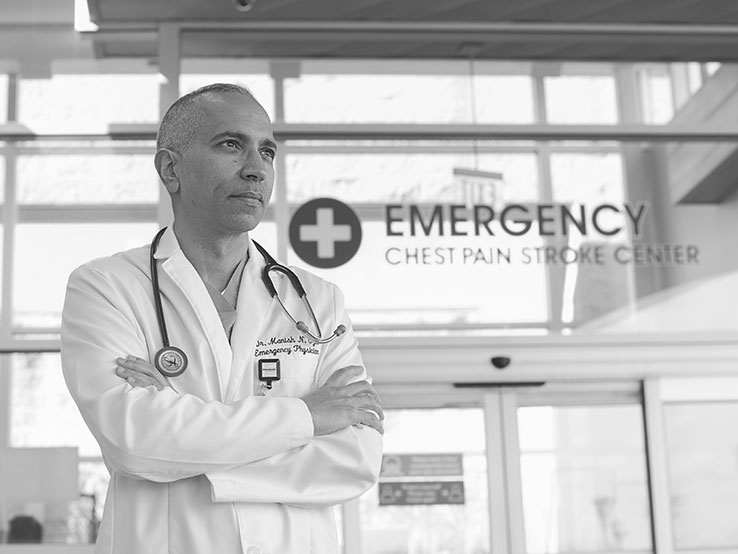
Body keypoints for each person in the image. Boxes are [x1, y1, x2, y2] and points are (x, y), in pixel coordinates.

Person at [61, 83, 384, 554]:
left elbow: (354, 459)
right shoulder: (106, 286)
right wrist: (308, 416)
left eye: (267, 151)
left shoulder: (317, 300)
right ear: (170, 168)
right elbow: (133, 439)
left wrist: (181, 444)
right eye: (231, 145)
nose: (256, 169)